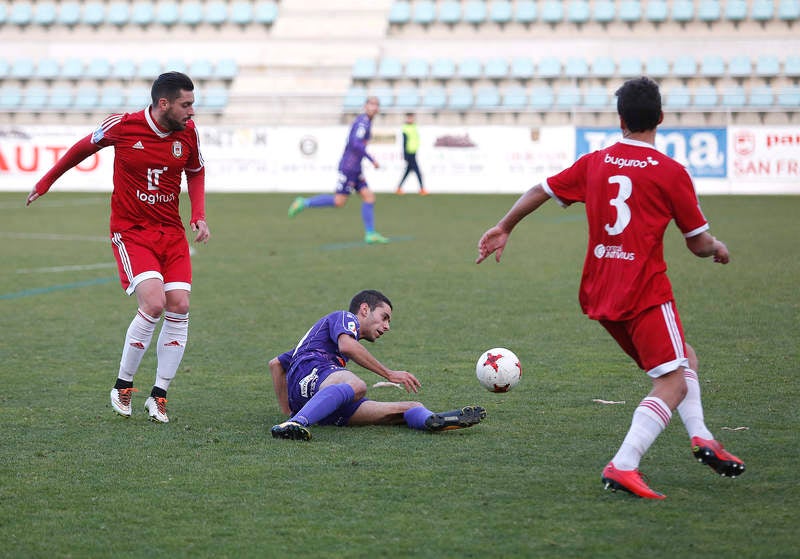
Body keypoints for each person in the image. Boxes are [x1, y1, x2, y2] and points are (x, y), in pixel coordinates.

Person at [475, 76, 744, 499]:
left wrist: (504, 226)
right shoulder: (672, 172)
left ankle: (703, 436)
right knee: (672, 382)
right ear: (660, 118)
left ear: (620, 120)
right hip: (645, 291)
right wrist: (718, 247)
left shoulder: (595, 162)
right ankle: (624, 465)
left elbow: (540, 189)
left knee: (682, 358)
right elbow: (696, 243)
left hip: (599, 293)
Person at [27, 72, 210, 424]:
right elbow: (82, 148)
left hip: (170, 232)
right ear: (163, 104)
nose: (192, 112)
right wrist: (45, 181)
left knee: (180, 304)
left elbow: (196, 171)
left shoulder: (188, 132)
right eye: (186, 105)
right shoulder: (123, 126)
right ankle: (123, 385)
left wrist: (198, 215)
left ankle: (159, 395)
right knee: (154, 302)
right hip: (132, 231)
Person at [269, 289, 486, 440]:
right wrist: (389, 374)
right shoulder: (345, 317)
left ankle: (434, 420)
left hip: (317, 400)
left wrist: (288, 409)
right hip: (312, 372)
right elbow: (347, 346)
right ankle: (297, 423)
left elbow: (276, 364)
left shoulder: (314, 342)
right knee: (356, 385)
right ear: (364, 309)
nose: (387, 326)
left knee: (409, 408)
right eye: (384, 317)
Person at [287, 97, 390, 244]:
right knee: (338, 201)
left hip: (356, 168)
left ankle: (370, 234)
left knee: (369, 197)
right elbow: (355, 143)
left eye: (376, 105)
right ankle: (303, 202)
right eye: (371, 104)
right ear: (365, 106)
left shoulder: (366, 122)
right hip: (349, 167)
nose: (374, 107)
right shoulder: (363, 122)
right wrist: (371, 158)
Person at [395, 112, 427, 195]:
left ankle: (399, 188)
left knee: (408, 171)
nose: (411, 119)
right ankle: (422, 189)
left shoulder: (414, 126)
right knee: (417, 171)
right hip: (409, 153)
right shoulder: (405, 128)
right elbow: (404, 142)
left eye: (412, 118)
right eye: (409, 118)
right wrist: (405, 154)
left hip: (414, 152)